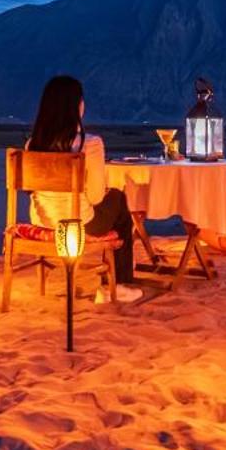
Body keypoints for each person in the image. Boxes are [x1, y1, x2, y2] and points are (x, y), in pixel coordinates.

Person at [26, 74, 142, 304]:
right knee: (118, 200)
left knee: (113, 202)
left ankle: (116, 281)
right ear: (76, 106)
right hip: (78, 224)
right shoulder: (89, 143)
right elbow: (96, 196)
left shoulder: (32, 144)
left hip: (42, 221)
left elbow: (31, 189)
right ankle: (116, 285)